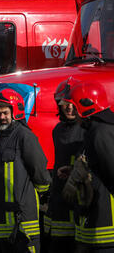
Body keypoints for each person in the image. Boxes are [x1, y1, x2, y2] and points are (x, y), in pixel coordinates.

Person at [0, 88, 51, 253]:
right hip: (5, 219)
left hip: (23, 217)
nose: (1, 117)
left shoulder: (25, 135)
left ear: (15, 111)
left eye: (5, 113)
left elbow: (38, 168)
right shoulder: (3, 137)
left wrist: (42, 193)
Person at [63, 81, 114, 252]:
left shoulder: (100, 133)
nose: (74, 114)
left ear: (85, 108)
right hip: (95, 216)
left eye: (74, 108)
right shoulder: (96, 131)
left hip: (105, 220)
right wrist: (76, 172)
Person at [44, 78, 84, 253]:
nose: (69, 107)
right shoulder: (57, 130)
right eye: (65, 103)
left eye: (73, 103)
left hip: (81, 197)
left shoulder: (87, 129)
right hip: (60, 199)